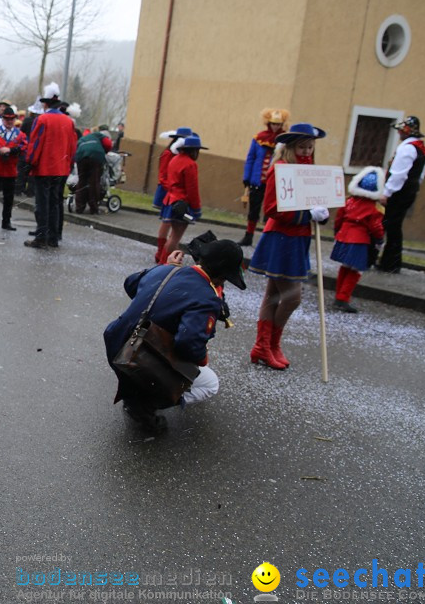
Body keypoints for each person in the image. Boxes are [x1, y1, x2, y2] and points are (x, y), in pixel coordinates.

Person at [103, 238, 245, 435]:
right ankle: (145, 404)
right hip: (139, 357)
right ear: (222, 276)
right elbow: (188, 344)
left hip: (117, 342)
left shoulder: (168, 269)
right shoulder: (207, 298)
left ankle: (137, 390)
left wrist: (165, 270)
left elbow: (130, 284)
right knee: (210, 383)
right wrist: (201, 359)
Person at [247, 123, 330, 370]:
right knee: (292, 298)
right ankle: (268, 345)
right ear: (291, 148)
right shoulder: (280, 169)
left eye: (310, 147)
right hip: (282, 238)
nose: (306, 151)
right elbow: (271, 209)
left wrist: (321, 214)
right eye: (302, 147)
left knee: (273, 294)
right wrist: (306, 215)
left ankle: (266, 347)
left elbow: (313, 204)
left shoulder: (308, 170)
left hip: (299, 239)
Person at [24, 83, 77, 250]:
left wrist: (30, 162)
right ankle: (53, 237)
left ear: (45, 103)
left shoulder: (42, 119)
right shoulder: (68, 122)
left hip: (44, 168)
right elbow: (71, 146)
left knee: (42, 204)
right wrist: (68, 164)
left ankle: (41, 237)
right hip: (61, 168)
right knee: (55, 203)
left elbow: (36, 144)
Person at [330, 167, 385, 313]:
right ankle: (343, 298)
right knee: (356, 270)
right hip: (359, 241)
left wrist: (337, 233)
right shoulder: (374, 209)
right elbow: (376, 227)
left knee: (345, 266)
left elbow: (339, 218)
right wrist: (380, 240)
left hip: (344, 236)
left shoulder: (349, 202)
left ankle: (338, 295)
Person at [377, 116, 425, 274]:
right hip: (408, 191)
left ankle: (390, 263)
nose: (399, 133)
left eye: (401, 130)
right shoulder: (420, 147)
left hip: (399, 193)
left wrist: (387, 192)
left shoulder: (408, 148)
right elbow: (420, 175)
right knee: (393, 226)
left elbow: (399, 174)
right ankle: (391, 261)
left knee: (390, 226)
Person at [240, 108, 288, 247]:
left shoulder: (285, 140)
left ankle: (267, 239)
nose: (275, 127)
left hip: (274, 182)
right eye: (273, 123)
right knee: (253, 210)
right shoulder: (258, 138)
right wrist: (246, 177)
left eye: (278, 124)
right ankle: (248, 236)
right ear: (268, 123)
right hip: (257, 180)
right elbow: (251, 158)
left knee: (271, 212)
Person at [152, 127, 197, 263]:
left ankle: (165, 255)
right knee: (167, 224)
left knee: (172, 228)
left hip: (172, 192)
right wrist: (171, 188)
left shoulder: (180, 156)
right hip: (169, 192)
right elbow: (163, 176)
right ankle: (162, 254)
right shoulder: (168, 154)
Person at [160, 135, 206, 261]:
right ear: (194, 150)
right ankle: (164, 264)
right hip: (181, 204)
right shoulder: (190, 164)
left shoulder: (174, 160)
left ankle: (164, 262)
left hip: (170, 201)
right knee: (175, 238)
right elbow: (192, 189)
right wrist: (196, 209)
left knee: (172, 237)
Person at [73, 125, 113, 215]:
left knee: (82, 181)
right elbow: (108, 144)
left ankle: (79, 207)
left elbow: (76, 148)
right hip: (95, 157)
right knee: (94, 182)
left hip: (81, 156)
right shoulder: (99, 135)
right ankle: (93, 207)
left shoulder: (83, 138)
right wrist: (105, 151)